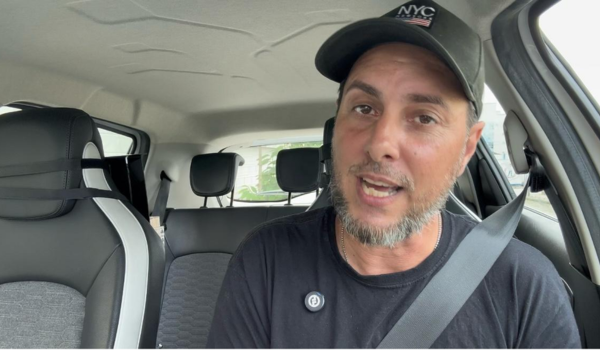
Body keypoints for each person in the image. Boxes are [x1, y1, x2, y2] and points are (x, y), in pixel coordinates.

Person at [207, 0, 580, 347]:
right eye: (364, 108)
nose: (380, 143)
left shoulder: (525, 285)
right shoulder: (265, 260)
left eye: (424, 117)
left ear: (467, 148)